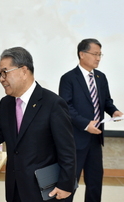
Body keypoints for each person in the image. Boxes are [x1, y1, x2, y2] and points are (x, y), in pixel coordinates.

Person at [0, 47, 77, 202]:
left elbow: (67, 150)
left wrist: (66, 185)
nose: (1, 78)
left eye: (5, 72)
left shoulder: (52, 103)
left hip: (45, 190)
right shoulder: (6, 103)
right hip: (15, 187)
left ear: (24, 71)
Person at [59, 38, 123, 202]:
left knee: (95, 182)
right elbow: (66, 107)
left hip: (95, 139)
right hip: (75, 139)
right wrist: (86, 124)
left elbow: (106, 101)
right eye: (95, 54)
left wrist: (114, 111)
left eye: (100, 54)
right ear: (82, 54)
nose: (98, 58)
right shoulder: (68, 78)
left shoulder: (101, 78)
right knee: (69, 183)